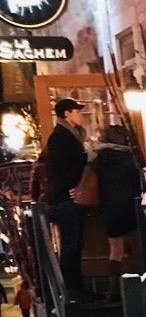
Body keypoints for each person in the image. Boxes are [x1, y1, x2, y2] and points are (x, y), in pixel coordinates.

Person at [43, 96, 88, 294]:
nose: (80, 115)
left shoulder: (71, 135)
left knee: (75, 244)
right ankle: (72, 290)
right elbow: (60, 168)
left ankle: (77, 288)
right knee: (71, 244)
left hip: (71, 196)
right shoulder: (61, 136)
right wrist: (71, 187)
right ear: (67, 114)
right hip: (67, 199)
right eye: (77, 111)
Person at [91, 124, 143, 288]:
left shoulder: (99, 160)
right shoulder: (129, 158)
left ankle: (116, 288)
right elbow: (137, 184)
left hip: (109, 207)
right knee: (136, 245)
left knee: (116, 249)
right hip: (130, 206)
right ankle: (137, 284)